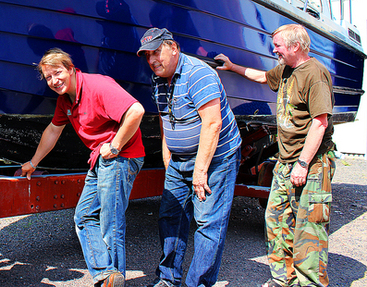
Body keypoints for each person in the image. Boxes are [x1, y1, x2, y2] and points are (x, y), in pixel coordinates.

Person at [215, 24, 335, 287]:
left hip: (310, 163)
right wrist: (232, 67)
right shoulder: (286, 69)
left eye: (278, 45)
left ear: (295, 46)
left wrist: (303, 163)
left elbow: (320, 122)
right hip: (285, 160)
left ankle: (310, 283)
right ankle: (283, 279)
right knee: (276, 218)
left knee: (309, 229)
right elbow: (262, 77)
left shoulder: (314, 74)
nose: (274, 49)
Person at [20, 48, 145, 287]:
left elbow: (136, 111)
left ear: (70, 69)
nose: (54, 81)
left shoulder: (98, 85)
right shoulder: (64, 100)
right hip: (100, 159)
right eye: (48, 77)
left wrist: (116, 145)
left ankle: (112, 279)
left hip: (121, 157)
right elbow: (53, 131)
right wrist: (33, 162)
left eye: (58, 73)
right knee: (84, 216)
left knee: (111, 219)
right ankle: (107, 274)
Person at [137, 28, 241, 287]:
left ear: (173, 47)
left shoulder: (199, 74)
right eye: (147, 55)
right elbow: (165, 120)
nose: (152, 60)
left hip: (215, 156)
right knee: (169, 216)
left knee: (207, 223)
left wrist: (200, 171)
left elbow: (212, 124)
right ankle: (168, 279)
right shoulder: (158, 78)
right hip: (179, 158)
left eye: (156, 52)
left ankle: (198, 284)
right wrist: (167, 158)